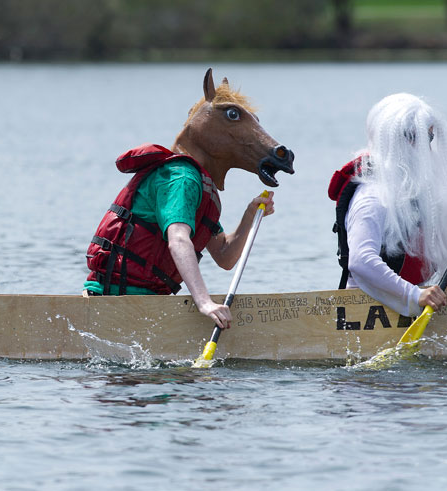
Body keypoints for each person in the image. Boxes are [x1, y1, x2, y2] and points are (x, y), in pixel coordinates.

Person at [83, 69, 294, 329]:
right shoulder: (182, 178)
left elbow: (225, 257)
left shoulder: (201, 187)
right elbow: (179, 240)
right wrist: (204, 303)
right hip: (115, 305)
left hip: (148, 305)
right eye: (232, 115)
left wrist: (250, 215)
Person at [329, 92, 447, 317]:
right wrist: (414, 295)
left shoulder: (418, 190)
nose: (424, 147)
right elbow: (361, 261)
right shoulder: (371, 196)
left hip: (413, 302)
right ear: (393, 140)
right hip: (367, 307)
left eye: (428, 138)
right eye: (415, 137)